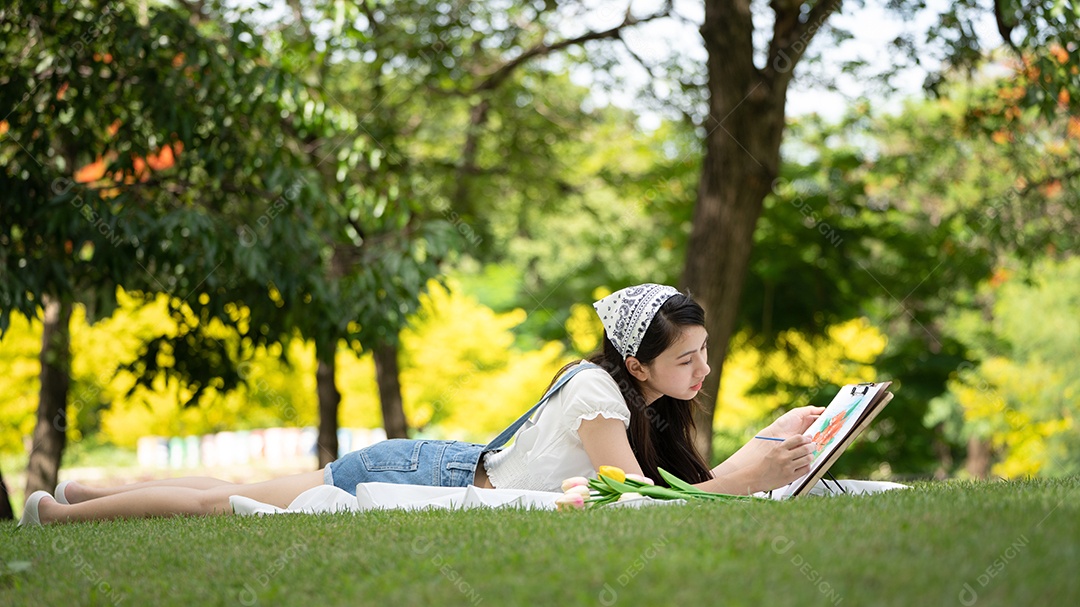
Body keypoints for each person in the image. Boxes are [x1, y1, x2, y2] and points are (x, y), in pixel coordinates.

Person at [20, 283, 823, 526]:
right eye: (687, 359)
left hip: (443, 464)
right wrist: (743, 475)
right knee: (217, 501)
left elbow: (677, 488)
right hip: (415, 470)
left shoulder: (646, 403)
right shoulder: (593, 390)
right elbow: (639, 505)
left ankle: (89, 490)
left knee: (224, 499)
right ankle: (61, 514)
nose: (703, 370)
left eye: (705, 354)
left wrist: (771, 447)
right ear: (637, 361)